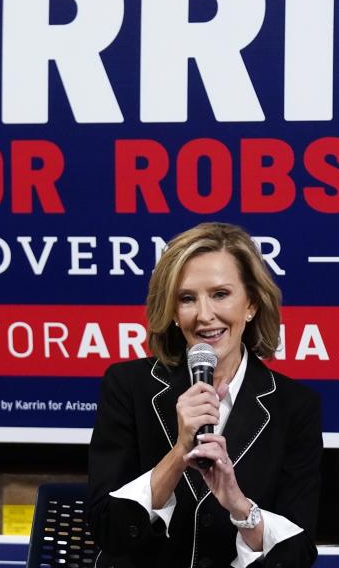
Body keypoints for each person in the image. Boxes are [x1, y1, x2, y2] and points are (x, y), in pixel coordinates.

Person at [87, 222, 322, 568]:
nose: (204, 315)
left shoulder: (294, 406)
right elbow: (109, 531)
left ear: (252, 304)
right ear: (173, 313)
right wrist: (179, 452)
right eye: (186, 299)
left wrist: (240, 506)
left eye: (220, 294)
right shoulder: (128, 386)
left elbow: (297, 556)